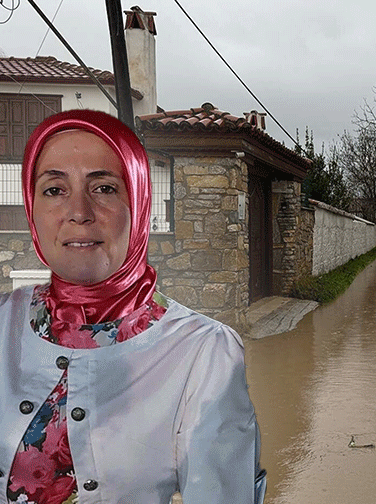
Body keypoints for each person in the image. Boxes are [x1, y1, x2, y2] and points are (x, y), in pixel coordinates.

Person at [0, 109, 265, 503]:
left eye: (104, 188)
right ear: (31, 208)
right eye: (54, 190)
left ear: (139, 204)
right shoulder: (4, 322)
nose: (79, 213)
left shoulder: (204, 352)